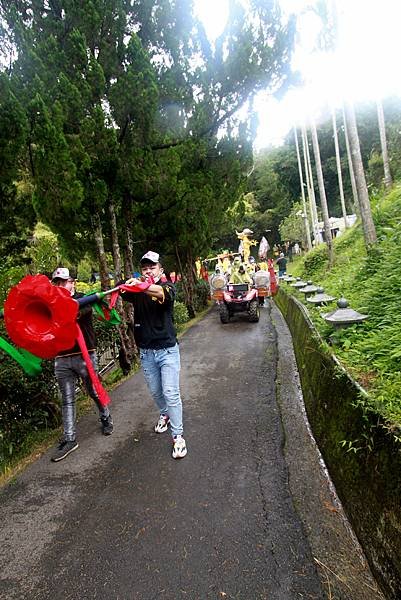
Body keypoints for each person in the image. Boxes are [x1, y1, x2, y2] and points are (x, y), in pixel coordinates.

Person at [120, 251, 187, 459]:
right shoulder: (137, 289)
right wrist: (125, 284)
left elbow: (158, 292)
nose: (148, 270)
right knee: (157, 393)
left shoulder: (166, 287)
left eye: (152, 267)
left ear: (160, 270)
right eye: (145, 267)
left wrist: (141, 285)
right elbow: (122, 290)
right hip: (146, 352)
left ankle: (178, 437)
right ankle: (165, 414)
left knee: (170, 392)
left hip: (167, 350)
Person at [51, 267, 113, 462]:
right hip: (61, 358)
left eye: (65, 281)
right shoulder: (50, 304)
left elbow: (75, 314)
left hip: (84, 356)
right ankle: (70, 439)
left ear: (73, 282)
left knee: (93, 391)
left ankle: (106, 417)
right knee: (67, 399)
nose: (62, 285)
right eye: (58, 283)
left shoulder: (83, 299)